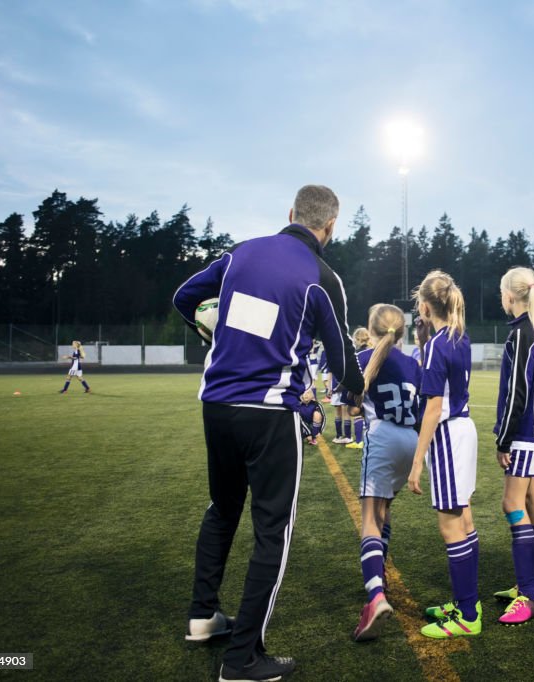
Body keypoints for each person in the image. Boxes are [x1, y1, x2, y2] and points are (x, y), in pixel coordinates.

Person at [172, 184, 363, 682]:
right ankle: (240, 660)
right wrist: (360, 386)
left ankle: (202, 616)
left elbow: (185, 297)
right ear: (330, 227)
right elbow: (341, 356)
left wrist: (208, 328)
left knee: (223, 508)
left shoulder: (241, 252)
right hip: (270, 413)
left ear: (291, 213)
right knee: (271, 532)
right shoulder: (322, 275)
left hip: (216, 406)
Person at [407, 270, 482, 639]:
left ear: (424, 306)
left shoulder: (439, 343)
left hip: (449, 434)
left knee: (450, 524)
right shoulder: (460, 336)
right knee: (463, 519)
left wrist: (417, 460)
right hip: (463, 430)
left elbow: (433, 408)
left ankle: (467, 615)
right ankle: (468, 602)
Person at [351, 304, 421, 641]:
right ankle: (381, 577)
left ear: (372, 329)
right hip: (411, 438)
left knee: (369, 520)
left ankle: (375, 596)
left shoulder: (363, 359)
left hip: (382, 435)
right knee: (385, 511)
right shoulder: (412, 362)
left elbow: (351, 406)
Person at [490, 267, 534, 626]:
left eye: (502, 293)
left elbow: (518, 393)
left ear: (510, 297)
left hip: (525, 433)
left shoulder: (520, 334)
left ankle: (528, 595)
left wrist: (504, 439)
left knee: (512, 503)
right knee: (532, 501)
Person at [345, 328, 371, 450]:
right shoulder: (375, 353)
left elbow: (354, 378)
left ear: (356, 339)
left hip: (364, 392)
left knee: (355, 412)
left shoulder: (358, 356)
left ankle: (360, 440)